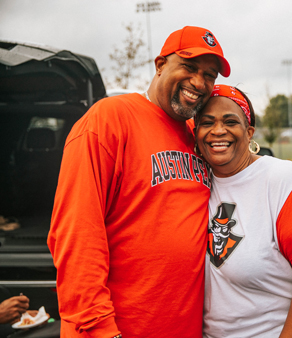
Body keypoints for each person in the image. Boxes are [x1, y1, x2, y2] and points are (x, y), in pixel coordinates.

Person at [47, 26, 230, 337]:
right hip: (118, 329)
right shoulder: (109, 119)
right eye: (188, 66)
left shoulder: (197, 136)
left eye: (210, 75)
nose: (199, 83)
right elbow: (76, 232)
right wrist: (99, 328)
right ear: (160, 65)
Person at [194, 85, 292, 338]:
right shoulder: (196, 181)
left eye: (230, 121)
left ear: (249, 132)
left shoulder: (281, 179)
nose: (218, 130)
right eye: (207, 123)